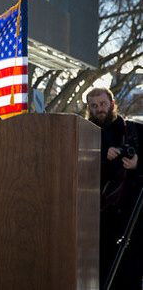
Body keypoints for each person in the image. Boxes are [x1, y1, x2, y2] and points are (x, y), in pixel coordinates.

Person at [86, 87, 143, 289]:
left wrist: (137, 163)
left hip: (132, 219)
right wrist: (102, 157)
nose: (99, 109)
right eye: (94, 106)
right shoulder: (84, 137)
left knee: (130, 277)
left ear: (112, 103)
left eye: (102, 104)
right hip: (97, 221)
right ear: (89, 109)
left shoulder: (135, 130)